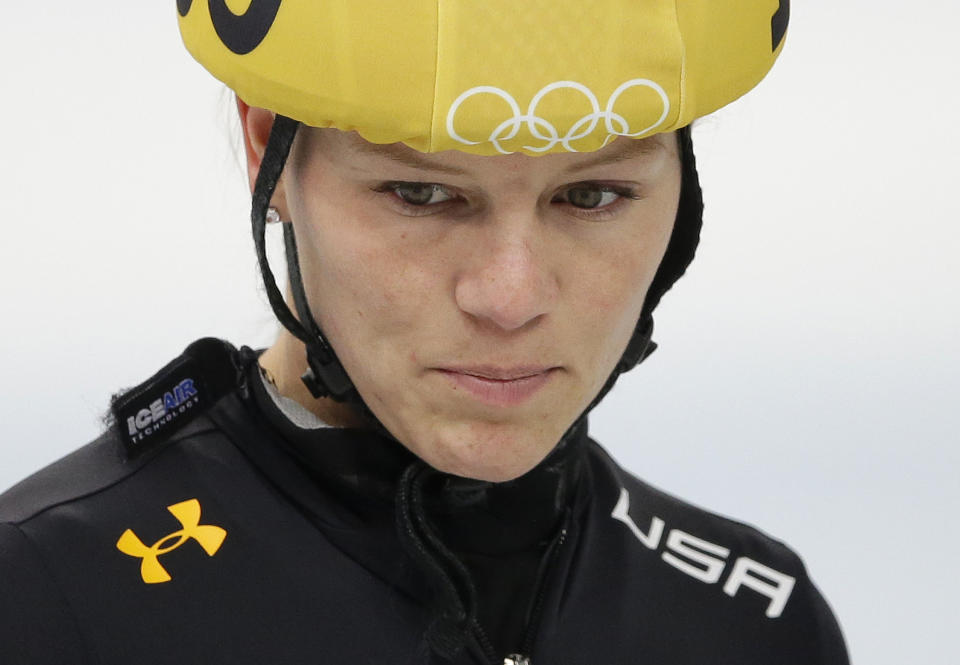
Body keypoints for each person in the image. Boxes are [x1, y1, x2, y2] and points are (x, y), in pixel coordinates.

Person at [0, 1, 848, 663]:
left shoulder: (754, 624)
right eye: (421, 194)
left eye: (591, 196)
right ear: (268, 151)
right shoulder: (45, 598)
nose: (509, 298)